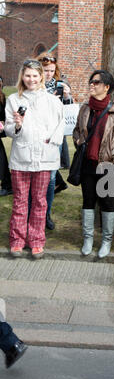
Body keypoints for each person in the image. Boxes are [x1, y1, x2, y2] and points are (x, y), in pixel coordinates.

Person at [5, 59, 64, 259]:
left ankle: (37, 241)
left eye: (35, 75)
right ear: (22, 76)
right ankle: (17, 240)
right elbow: (10, 131)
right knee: (20, 201)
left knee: (40, 201)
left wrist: (51, 142)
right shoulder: (14, 99)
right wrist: (18, 125)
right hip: (21, 158)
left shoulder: (53, 101)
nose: (31, 79)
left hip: (44, 159)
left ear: (41, 77)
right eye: (27, 75)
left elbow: (60, 126)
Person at [72, 70, 114, 258]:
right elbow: (76, 130)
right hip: (88, 165)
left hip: (108, 165)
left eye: (96, 82)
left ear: (107, 88)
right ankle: (88, 239)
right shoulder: (84, 108)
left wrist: (111, 154)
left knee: (107, 203)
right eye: (91, 81)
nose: (92, 84)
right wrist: (79, 142)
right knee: (88, 201)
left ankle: (106, 241)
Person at [37, 52, 71, 230]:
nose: (48, 73)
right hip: (37, 138)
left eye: (51, 70)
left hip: (54, 138)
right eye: (45, 70)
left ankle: (46, 214)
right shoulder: (34, 87)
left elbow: (69, 111)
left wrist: (66, 97)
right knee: (36, 177)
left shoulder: (60, 86)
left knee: (50, 178)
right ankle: (35, 213)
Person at [0, 76, 12, 197]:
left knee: (1, 160)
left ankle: (7, 185)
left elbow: (5, 116)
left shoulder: (3, 98)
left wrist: (2, 123)